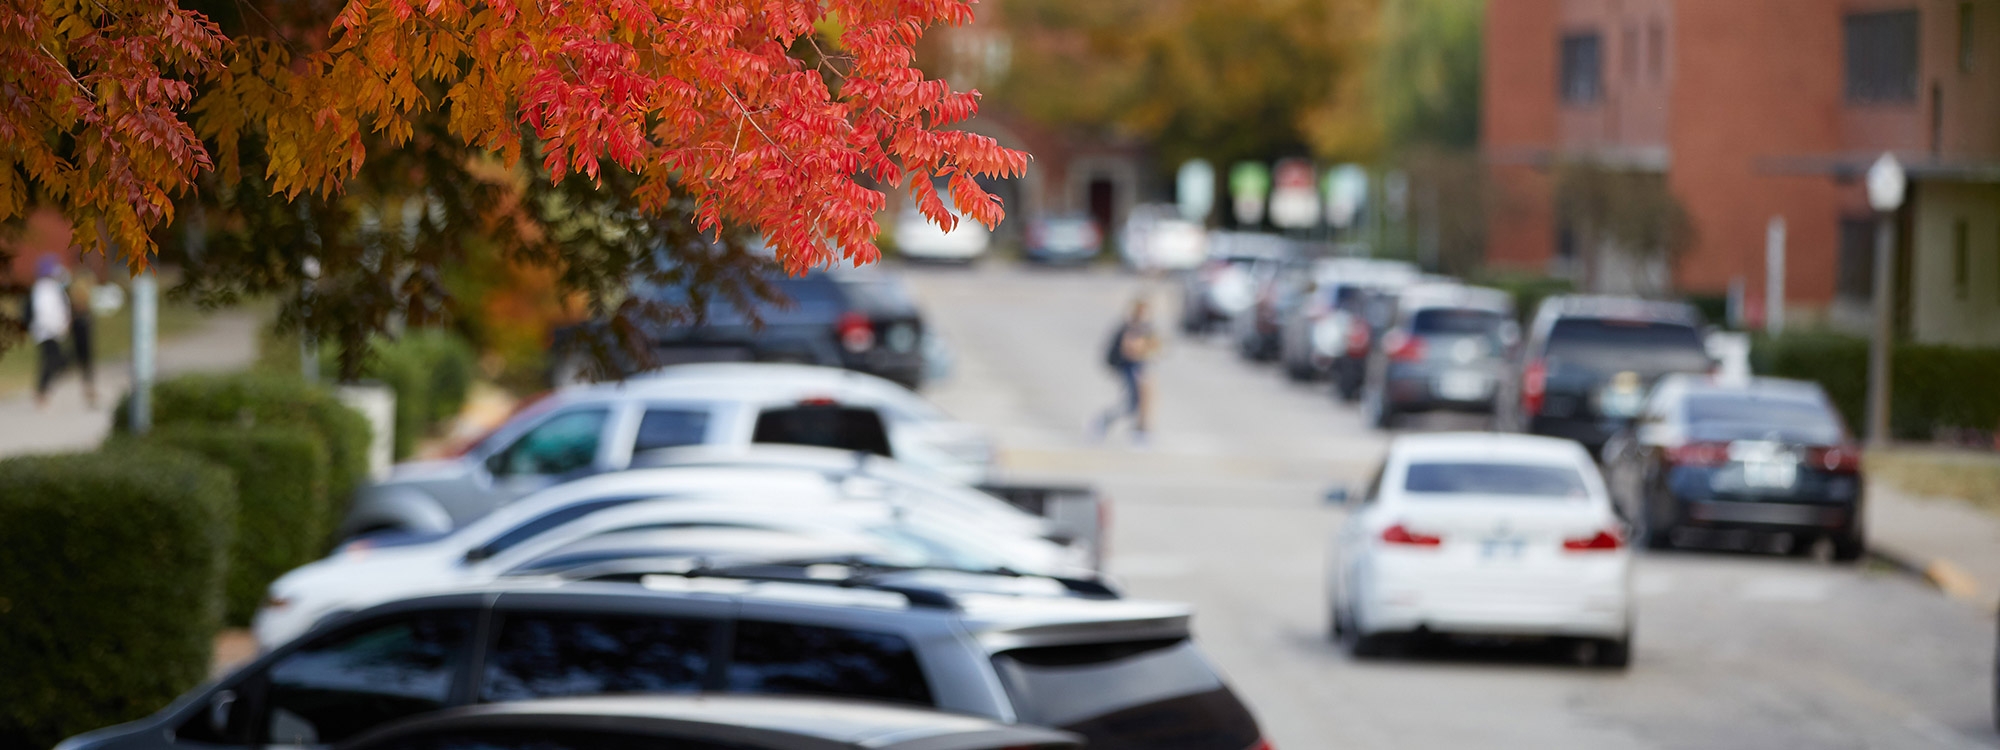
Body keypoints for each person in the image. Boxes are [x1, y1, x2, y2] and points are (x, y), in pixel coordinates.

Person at [1093, 297, 1159, 444]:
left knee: (1143, 402)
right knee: (1131, 404)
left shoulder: (1146, 327)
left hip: (1141, 368)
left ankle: (1141, 431)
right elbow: (1130, 350)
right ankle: (1104, 421)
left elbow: (1156, 349)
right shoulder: (1131, 328)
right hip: (1130, 368)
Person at [27, 256, 71, 409]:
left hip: (54, 332)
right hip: (47, 332)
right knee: (52, 361)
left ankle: (42, 390)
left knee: (52, 361)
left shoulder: (52, 287)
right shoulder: (43, 288)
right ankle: (41, 390)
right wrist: (56, 327)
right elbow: (44, 313)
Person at [67, 265, 98, 407]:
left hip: (80, 321)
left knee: (85, 356)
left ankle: (88, 385)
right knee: (83, 355)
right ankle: (87, 386)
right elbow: (78, 305)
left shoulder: (77, 285)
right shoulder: (80, 286)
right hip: (81, 321)